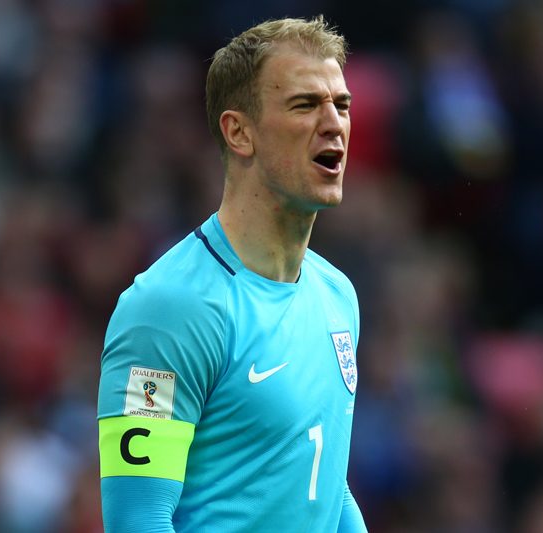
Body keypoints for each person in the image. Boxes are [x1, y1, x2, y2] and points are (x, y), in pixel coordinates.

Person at [97, 15, 367, 532]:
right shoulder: (169, 310)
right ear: (239, 132)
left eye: (342, 104)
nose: (334, 123)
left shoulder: (337, 296)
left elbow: (326, 488)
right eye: (305, 104)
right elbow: (139, 518)